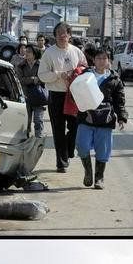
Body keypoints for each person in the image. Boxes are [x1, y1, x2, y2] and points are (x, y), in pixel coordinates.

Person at [75, 48, 127, 190]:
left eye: (104, 58)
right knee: (82, 146)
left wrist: (122, 117)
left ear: (108, 60)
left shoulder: (114, 78)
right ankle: (88, 172)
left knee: (103, 150)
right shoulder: (86, 75)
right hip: (86, 117)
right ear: (94, 60)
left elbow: (119, 100)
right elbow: (76, 93)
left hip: (106, 119)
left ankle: (99, 178)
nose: (101, 61)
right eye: (98, 58)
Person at [39, 21, 88, 171]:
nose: (62, 36)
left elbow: (85, 67)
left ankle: (68, 150)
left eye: (64, 33)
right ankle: (62, 162)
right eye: (59, 33)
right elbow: (42, 75)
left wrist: (76, 72)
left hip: (74, 95)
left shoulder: (76, 51)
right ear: (55, 36)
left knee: (76, 127)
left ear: (69, 35)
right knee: (58, 129)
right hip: (56, 95)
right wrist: (59, 75)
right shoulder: (49, 53)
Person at [17, 45, 47, 138]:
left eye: (29, 51)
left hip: (39, 96)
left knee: (38, 120)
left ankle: (39, 139)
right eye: (26, 51)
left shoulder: (42, 65)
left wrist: (39, 80)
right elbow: (19, 79)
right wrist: (32, 79)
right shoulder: (21, 65)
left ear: (35, 54)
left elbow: (46, 78)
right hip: (26, 96)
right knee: (26, 120)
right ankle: (25, 138)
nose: (26, 53)